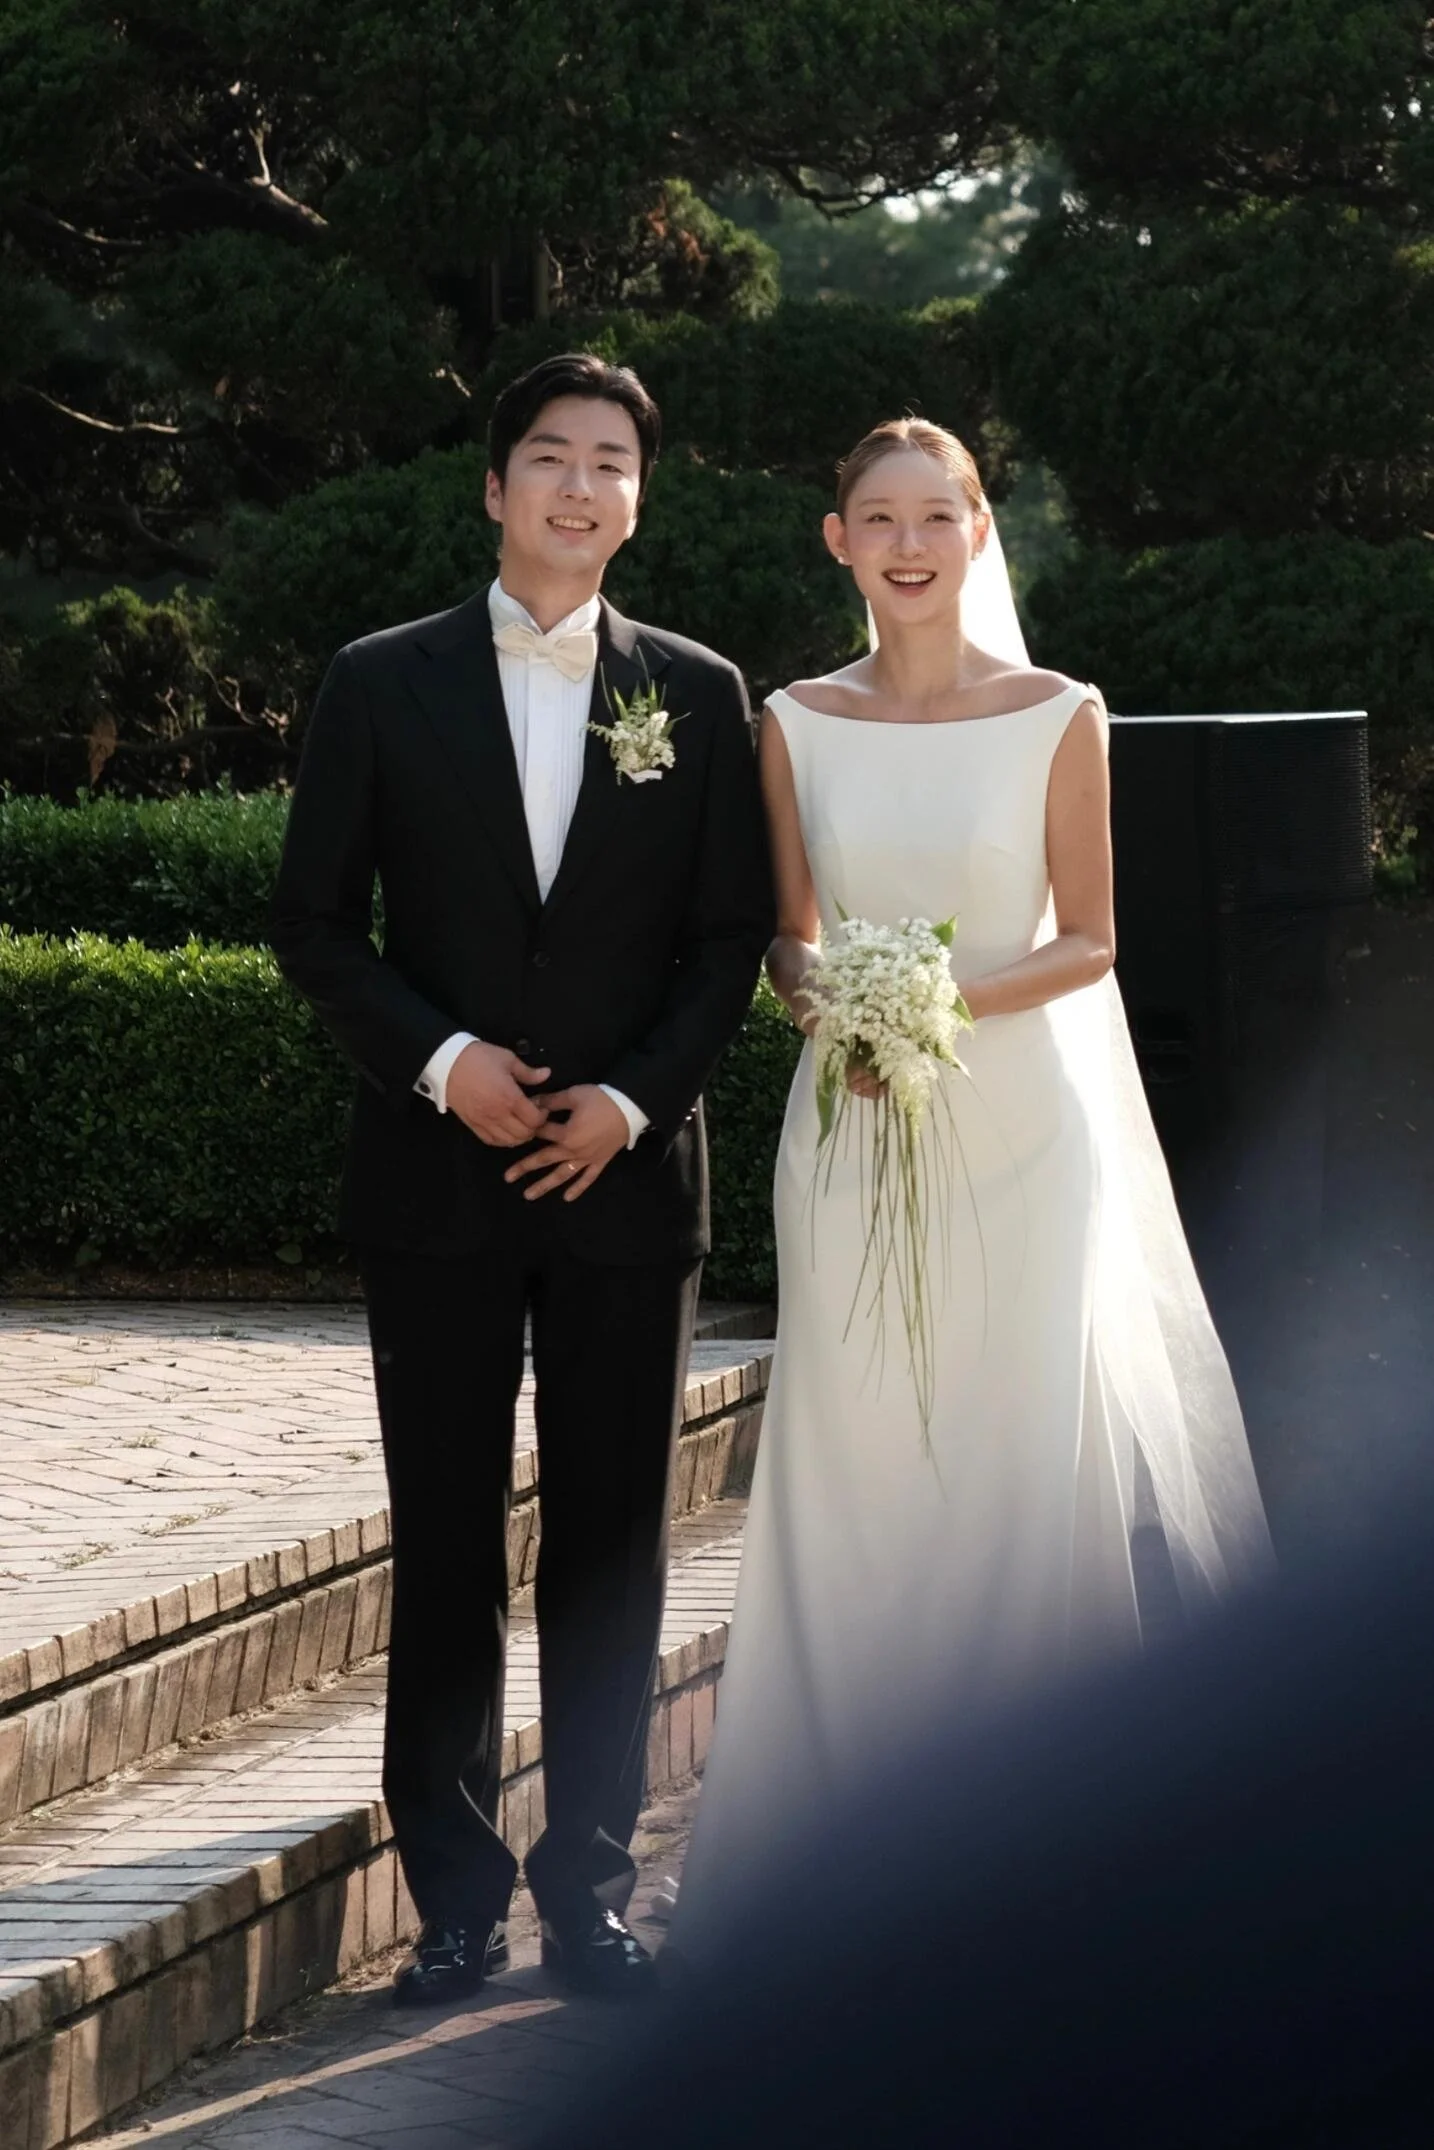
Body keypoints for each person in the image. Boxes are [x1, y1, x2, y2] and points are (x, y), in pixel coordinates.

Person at [670, 417, 1274, 1961]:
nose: (908, 540)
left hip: (1022, 1126)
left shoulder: (1062, 712)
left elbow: (1090, 938)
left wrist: (930, 1005)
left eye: (936, 513)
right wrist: (838, 1008)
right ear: (837, 541)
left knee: (1021, 1467)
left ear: (979, 530)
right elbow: (788, 937)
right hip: (853, 1129)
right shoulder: (793, 718)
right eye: (876, 515)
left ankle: (1035, 1853)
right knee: (852, 1459)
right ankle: (821, 1841)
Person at [270, 353, 773, 2003]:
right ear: (493, 490)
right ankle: (459, 1900)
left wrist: (628, 1099)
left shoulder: (699, 694)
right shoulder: (378, 680)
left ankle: (595, 1890)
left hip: (628, 1188)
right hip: (435, 1182)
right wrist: (444, 1063)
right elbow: (317, 926)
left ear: (638, 496)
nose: (577, 485)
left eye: (609, 462)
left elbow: (728, 941)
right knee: (446, 1545)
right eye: (547, 457)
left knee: (617, 1547)